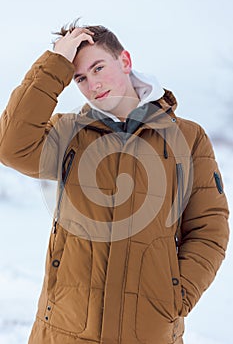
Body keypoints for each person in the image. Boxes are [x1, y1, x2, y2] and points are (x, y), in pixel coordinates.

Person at [0, 19, 229, 344]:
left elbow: (210, 228)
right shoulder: (69, 134)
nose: (92, 84)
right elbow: (11, 146)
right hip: (64, 332)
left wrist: (177, 299)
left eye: (98, 67)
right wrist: (55, 64)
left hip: (150, 334)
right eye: (79, 76)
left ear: (124, 61)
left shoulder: (187, 138)